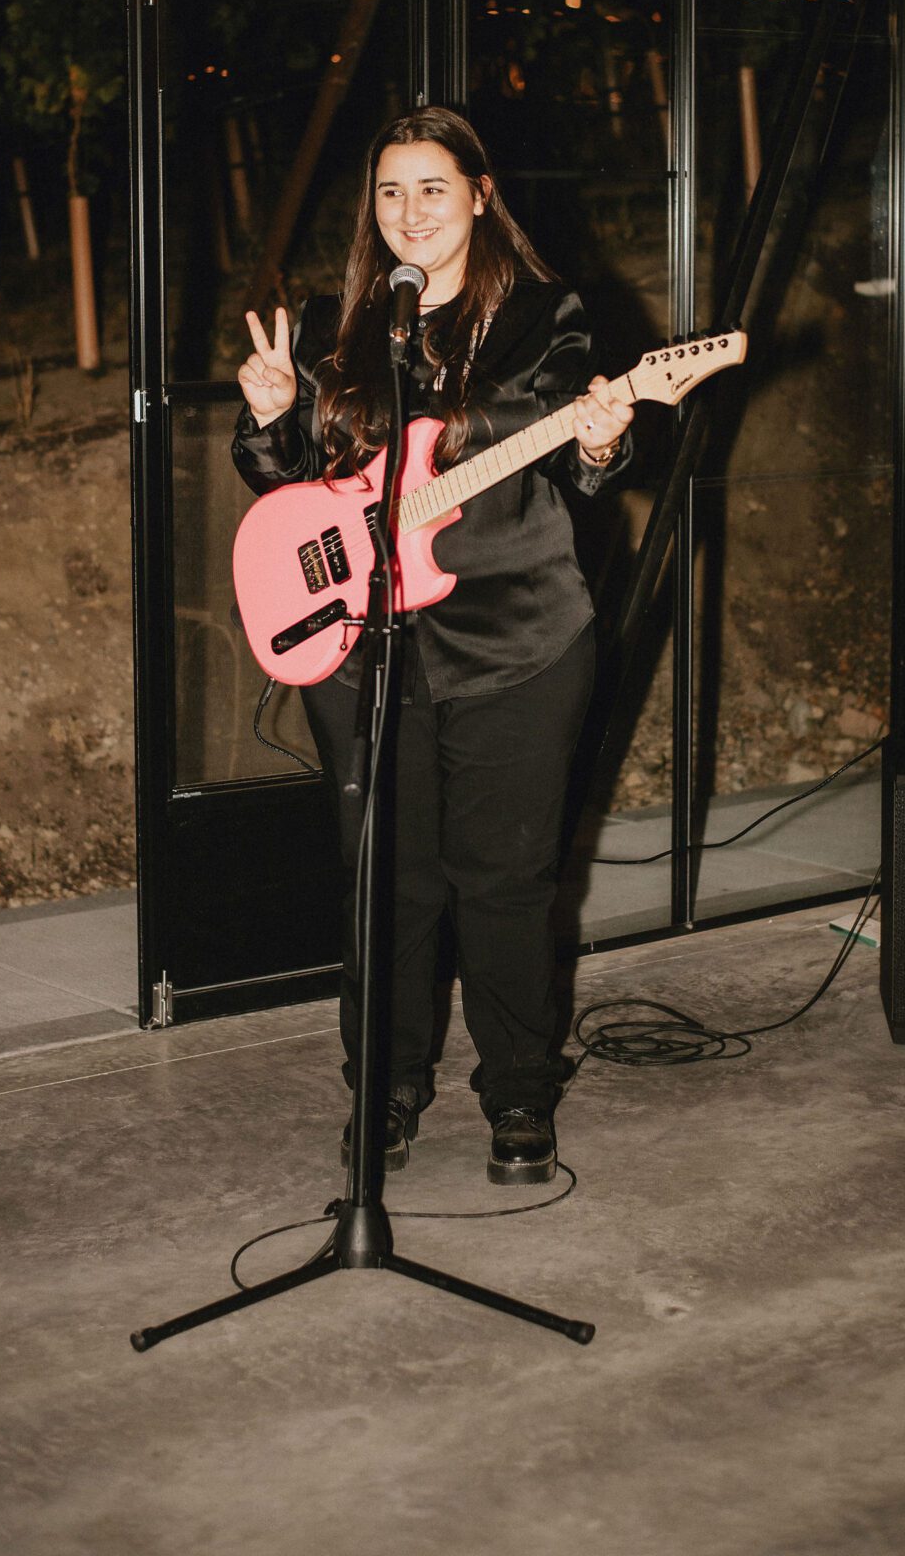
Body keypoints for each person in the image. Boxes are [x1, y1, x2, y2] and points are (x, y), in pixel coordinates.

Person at [232, 107, 632, 1184]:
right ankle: (388, 1087)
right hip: (366, 644)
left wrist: (603, 434)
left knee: (506, 877)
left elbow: (584, 464)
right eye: (391, 192)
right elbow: (295, 492)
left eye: (433, 189)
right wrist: (272, 416)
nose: (410, 212)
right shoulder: (339, 322)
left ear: (481, 194)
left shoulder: (549, 317)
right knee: (388, 881)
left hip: (519, 635)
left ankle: (517, 1092)